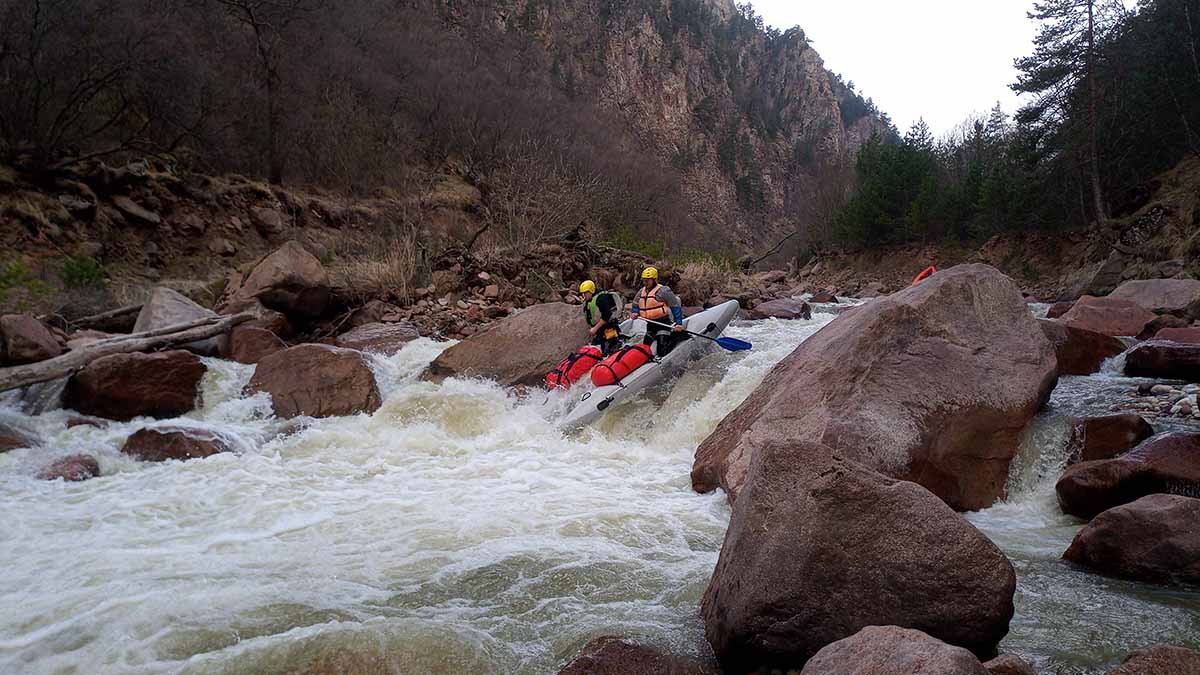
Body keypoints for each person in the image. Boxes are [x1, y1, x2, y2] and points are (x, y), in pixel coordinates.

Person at [630, 267, 686, 356]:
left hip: (663, 323)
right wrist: (635, 312)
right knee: (644, 349)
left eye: (648, 280)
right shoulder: (641, 291)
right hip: (650, 324)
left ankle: (677, 336)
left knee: (662, 351)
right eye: (644, 280)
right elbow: (636, 304)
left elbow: (675, 307)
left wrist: (678, 323)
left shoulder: (664, 291)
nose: (646, 282)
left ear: (654, 279)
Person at [579, 280, 623, 355]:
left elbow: (607, 315)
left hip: (609, 327)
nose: (584, 295)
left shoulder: (601, 299)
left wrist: (595, 328)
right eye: (583, 293)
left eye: (585, 293)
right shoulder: (589, 300)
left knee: (609, 350)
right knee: (597, 347)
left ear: (591, 291)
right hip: (599, 330)